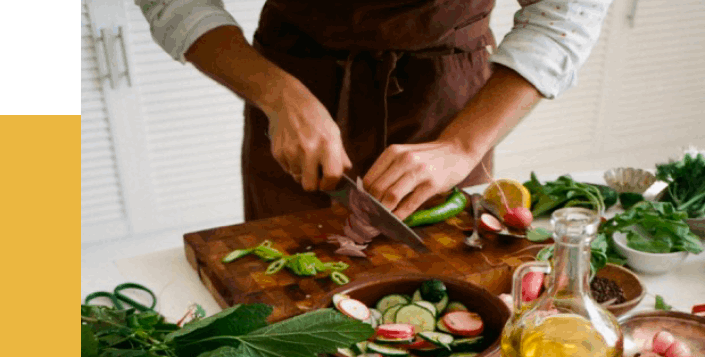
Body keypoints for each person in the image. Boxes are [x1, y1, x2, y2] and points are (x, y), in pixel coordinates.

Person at [136, 1, 612, 221]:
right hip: (293, 83)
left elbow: (566, 10)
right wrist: (279, 96)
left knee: (445, 278)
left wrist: (462, 143)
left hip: (445, 98)